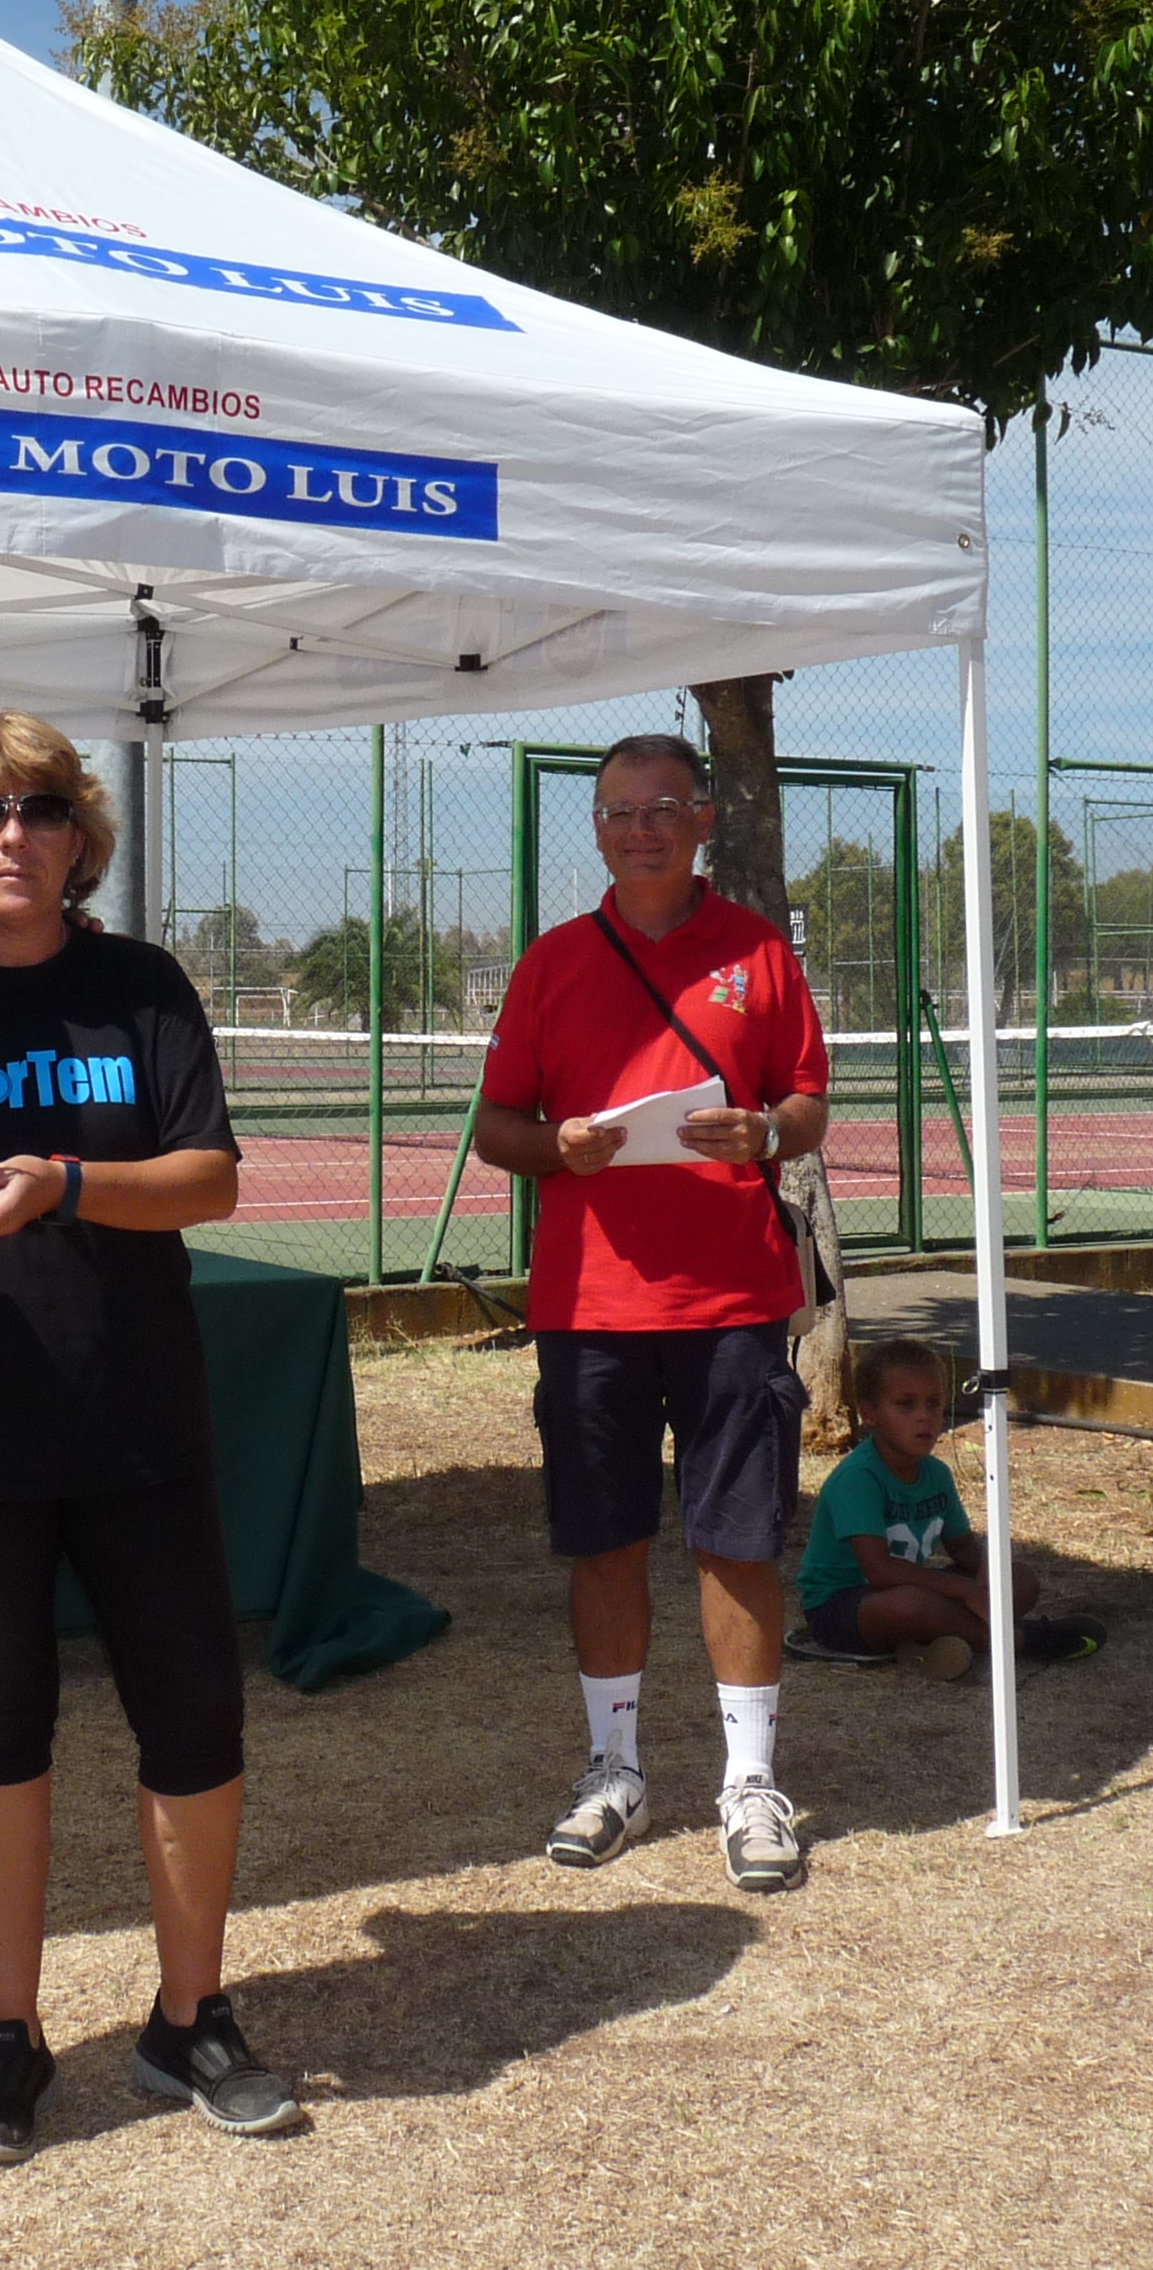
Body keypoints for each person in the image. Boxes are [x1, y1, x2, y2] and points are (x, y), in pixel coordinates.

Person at [0, 710, 297, 2161]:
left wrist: (65, 1183)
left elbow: (208, 1180)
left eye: (40, 811)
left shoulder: (140, 986)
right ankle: (10, 2036)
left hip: (138, 1420)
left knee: (192, 1720)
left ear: (81, 836)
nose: (12, 837)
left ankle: (191, 2020)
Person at [471, 733, 830, 1892]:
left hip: (732, 1303)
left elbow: (809, 1101)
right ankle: (614, 1768)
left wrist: (763, 1130)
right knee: (605, 1541)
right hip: (590, 1307)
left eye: (663, 807)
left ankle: (750, 1783)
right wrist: (558, 1147)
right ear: (597, 829)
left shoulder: (759, 953)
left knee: (739, 1542)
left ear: (703, 820)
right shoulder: (553, 964)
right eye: (620, 812)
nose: (642, 830)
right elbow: (495, 1128)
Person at [791, 1339, 1102, 1680]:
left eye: (934, 1403)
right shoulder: (858, 1478)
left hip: (911, 1592)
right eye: (905, 1405)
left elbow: (963, 1546)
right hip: (843, 1608)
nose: (923, 1416)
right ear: (870, 1415)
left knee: (1020, 1579)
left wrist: (985, 1580)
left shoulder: (937, 1474)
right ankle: (1019, 1640)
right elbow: (879, 1570)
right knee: (911, 1605)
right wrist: (964, 1591)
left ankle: (926, 1647)